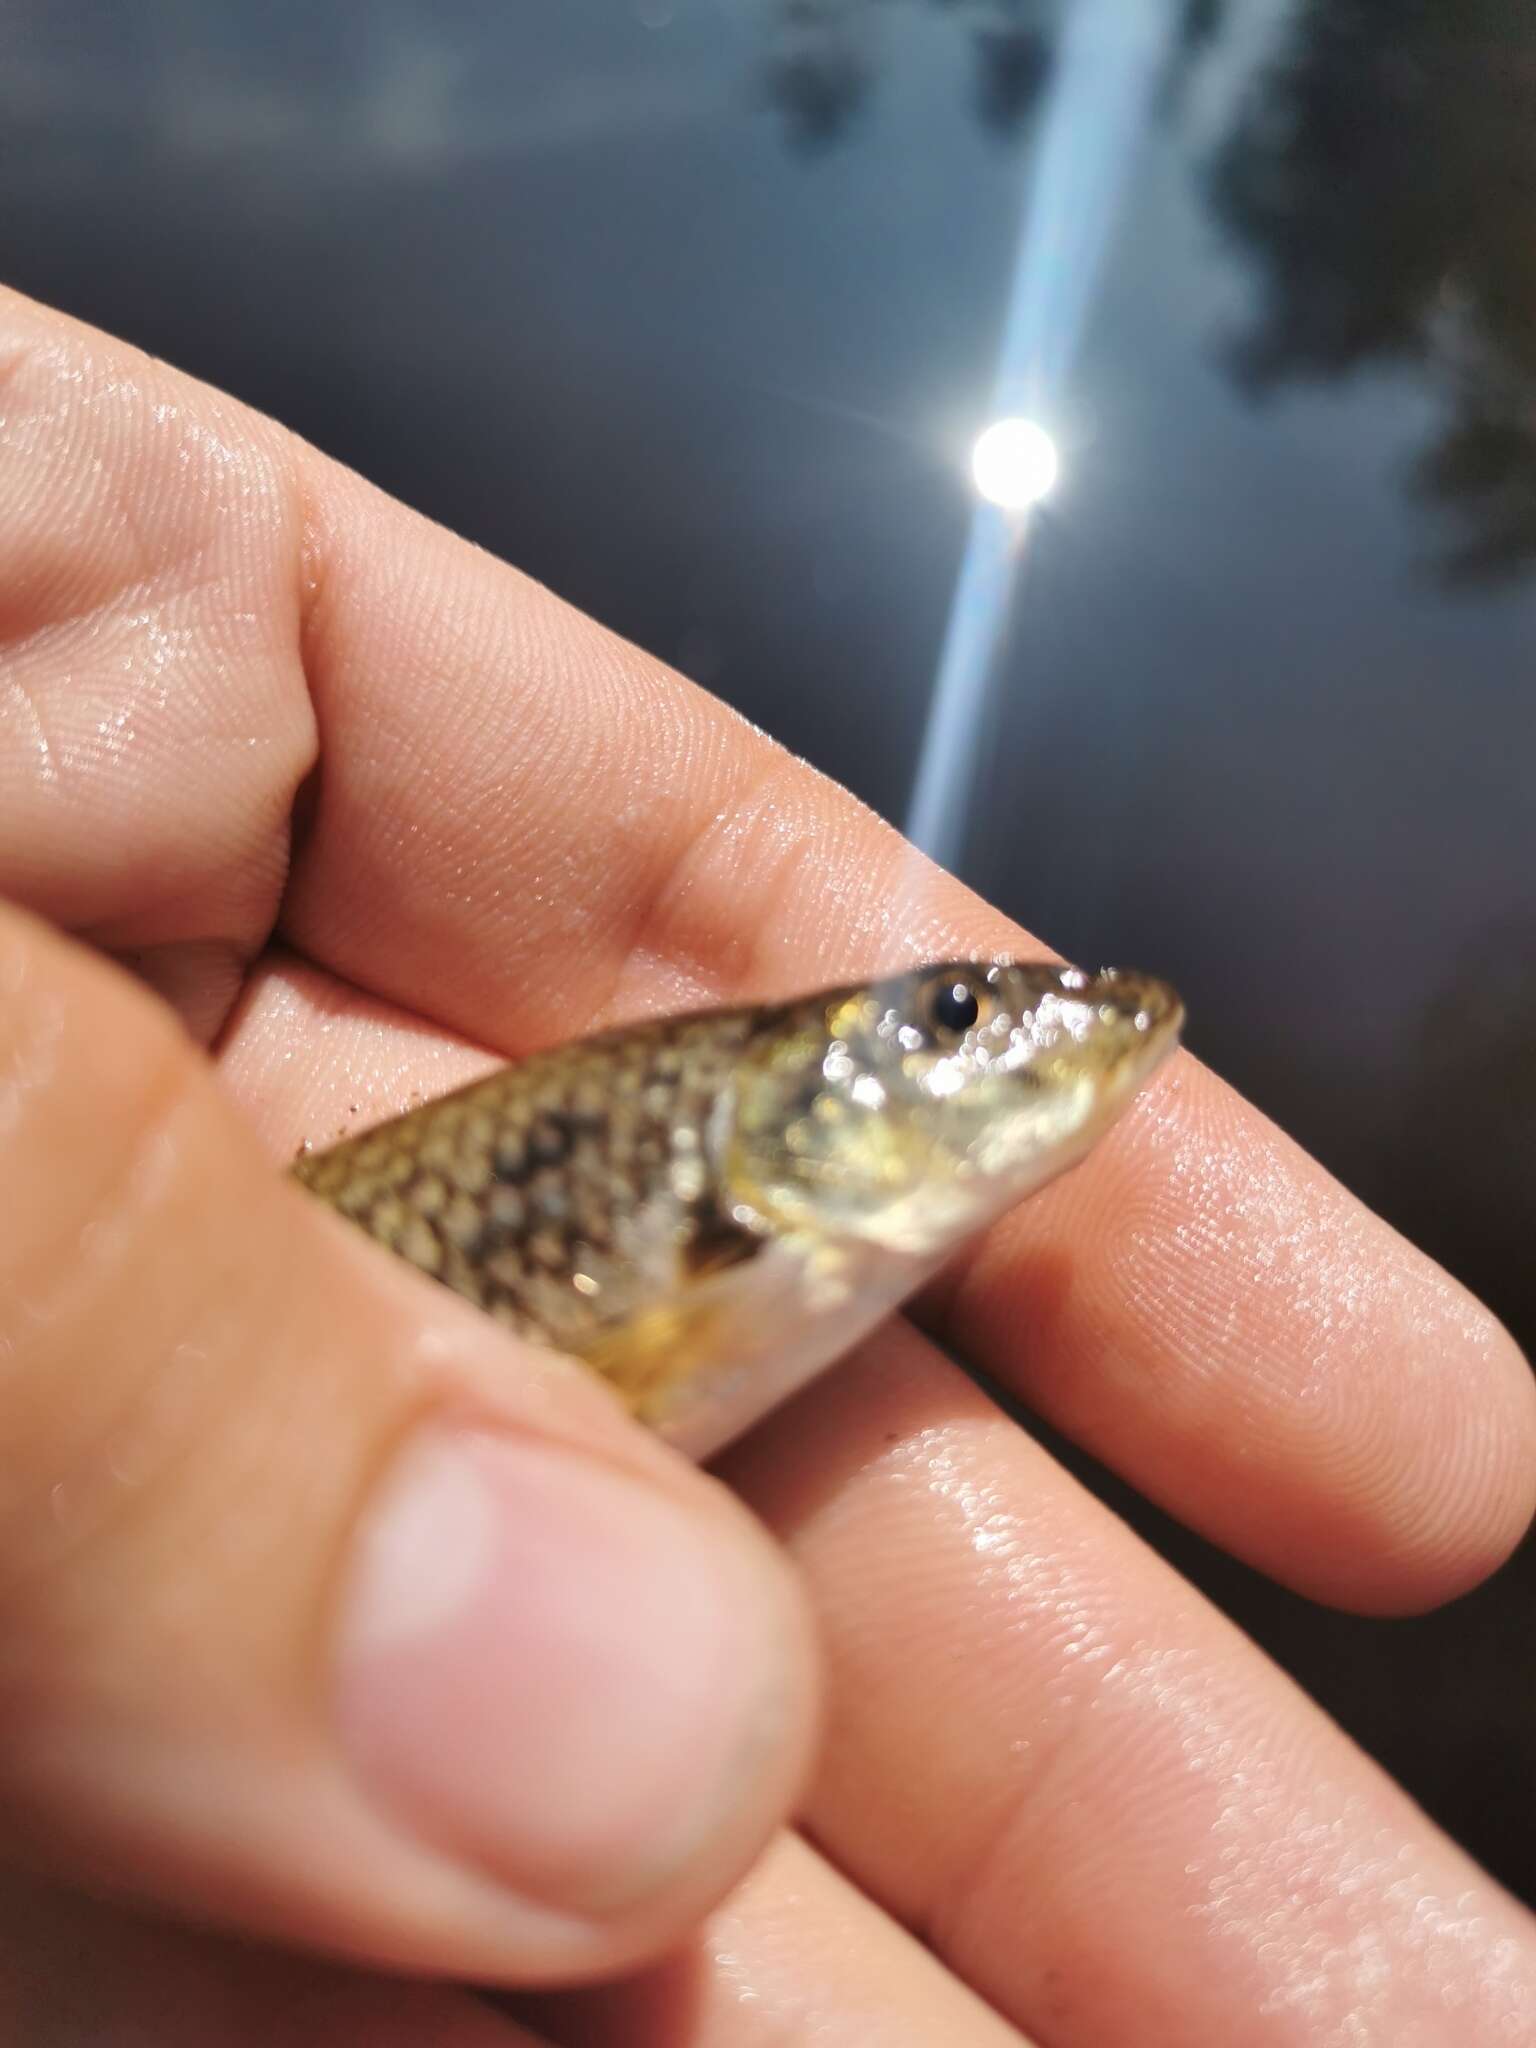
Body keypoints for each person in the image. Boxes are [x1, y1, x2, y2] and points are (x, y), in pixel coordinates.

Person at [0, 281, 1531, 2048]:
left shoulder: (784, 1225)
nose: (1026, 1023)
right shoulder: (727, 1207)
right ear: (777, 1137)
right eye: (955, 1015)